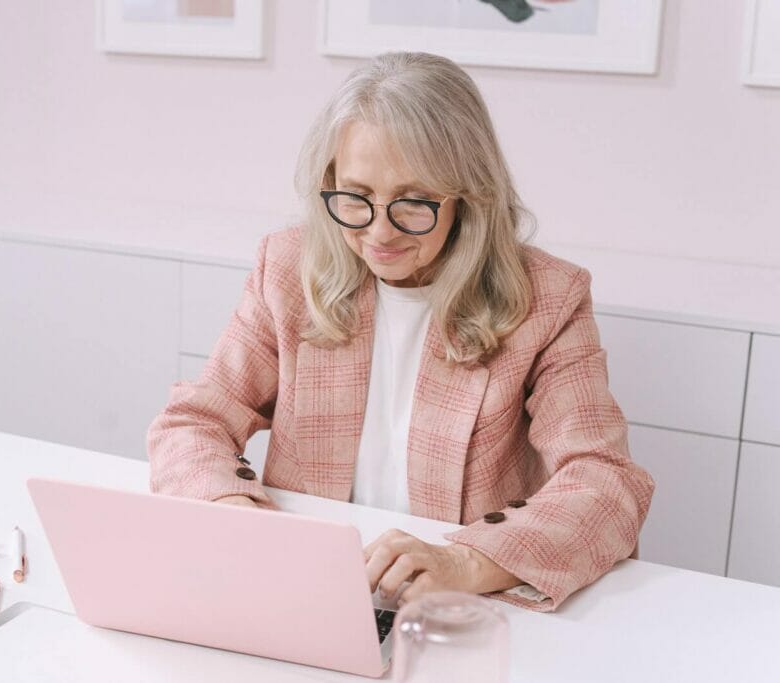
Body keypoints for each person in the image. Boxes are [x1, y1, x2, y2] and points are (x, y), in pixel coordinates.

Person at [147, 51, 654, 612]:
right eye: (356, 197)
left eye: (413, 203)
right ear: (329, 181)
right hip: (309, 590)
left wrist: (463, 562)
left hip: (459, 608)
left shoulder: (548, 297)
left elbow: (606, 483)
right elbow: (193, 423)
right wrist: (232, 510)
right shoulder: (288, 268)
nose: (379, 233)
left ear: (468, 196)